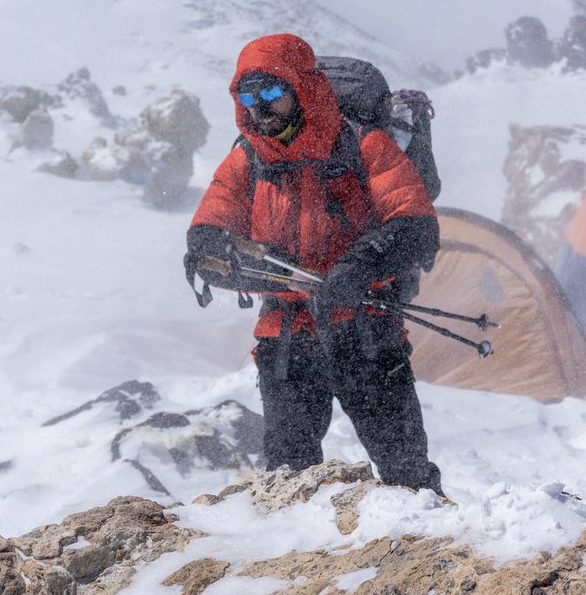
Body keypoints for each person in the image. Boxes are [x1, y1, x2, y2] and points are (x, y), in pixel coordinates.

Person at [185, 33, 443, 493]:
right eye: (248, 96)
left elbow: (415, 227)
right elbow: (207, 232)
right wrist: (229, 257)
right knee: (288, 480)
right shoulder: (247, 157)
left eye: (271, 93)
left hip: (366, 332)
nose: (259, 108)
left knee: (408, 475)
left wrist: (357, 267)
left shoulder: (365, 145)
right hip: (285, 343)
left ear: (301, 88)